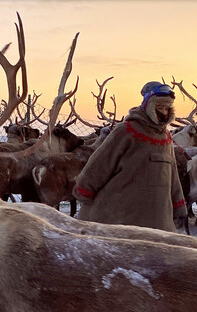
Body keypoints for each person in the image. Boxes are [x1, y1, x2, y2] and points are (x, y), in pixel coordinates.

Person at [72, 81, 188, 232]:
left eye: (167, 108)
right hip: (120, 214)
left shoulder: (165, 136)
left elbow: (171, 173)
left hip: (159, 216)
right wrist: (84, 190)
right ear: (148, 106)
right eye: (160, 108)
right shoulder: (127, 131)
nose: (164, 113)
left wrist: (178, 204)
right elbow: (101, 163)